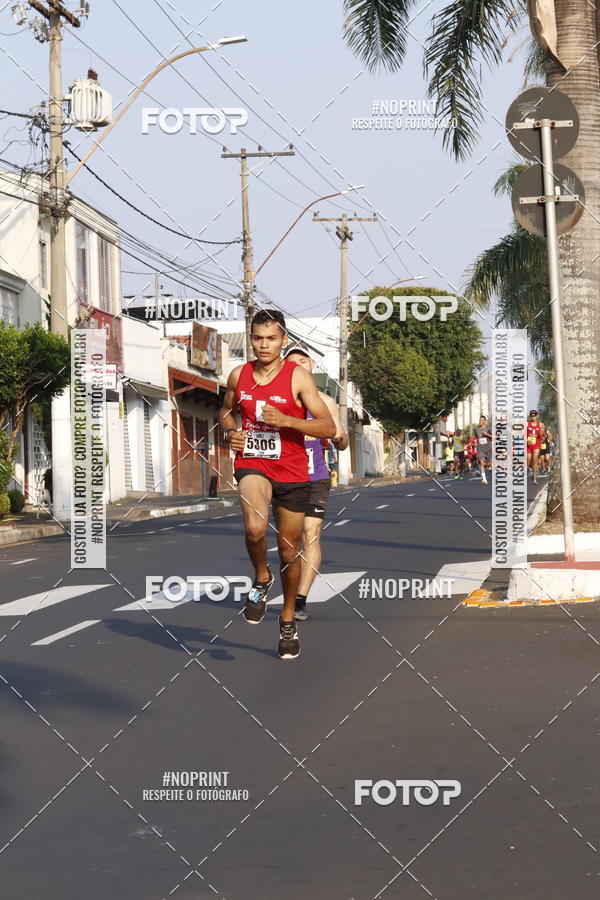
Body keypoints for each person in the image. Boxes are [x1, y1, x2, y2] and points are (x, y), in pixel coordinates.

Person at [219, 309, 335, 659]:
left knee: (288, 550)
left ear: (283, 340)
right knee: (255, 528)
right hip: (254, 462)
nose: (264, 345)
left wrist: (288, 420)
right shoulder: (239, 375)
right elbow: (225, 412)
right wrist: (231, 433)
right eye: (257, 338)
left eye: (271, 338)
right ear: (250, 338)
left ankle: (287, 619)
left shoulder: (298, 378)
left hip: (294, 471)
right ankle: (260, 576)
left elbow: (328, 426)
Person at [284, 345, 349, 621]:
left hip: (316, 477)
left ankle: (300, 599)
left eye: (304, 360)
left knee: (311, 533)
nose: (299, 364)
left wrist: (338, 438)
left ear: (311, 366)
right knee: (289, 542)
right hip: (285, 479)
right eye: (293, 361)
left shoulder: (326, 403)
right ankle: (280, 588)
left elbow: (342, 442)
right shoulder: (279, 403)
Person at [526, 409, 544, 485]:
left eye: (534, 415)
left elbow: (542, 435)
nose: (533, 417)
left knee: (535, 460)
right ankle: (528, 469)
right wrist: (527, 440)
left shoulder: (540, 424)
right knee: (528, 461)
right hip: (528, 445)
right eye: (531, 415)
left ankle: (534, 478)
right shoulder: (527, 424)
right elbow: (523, 434)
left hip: (536, 444)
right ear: (530, 416)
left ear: (537, 416)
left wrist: (541, 433)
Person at [475, 415, 493, 485]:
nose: (480, 421)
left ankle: (488, 466)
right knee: (481, 463)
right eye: (480, 420)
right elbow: (476, 437)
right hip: (480, 448)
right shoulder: (476, 429)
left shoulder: (489, 428)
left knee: (488, 464)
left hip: (488, 448)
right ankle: (484, 479)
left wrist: (487, 434)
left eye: (482, 420)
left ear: (485, 421)